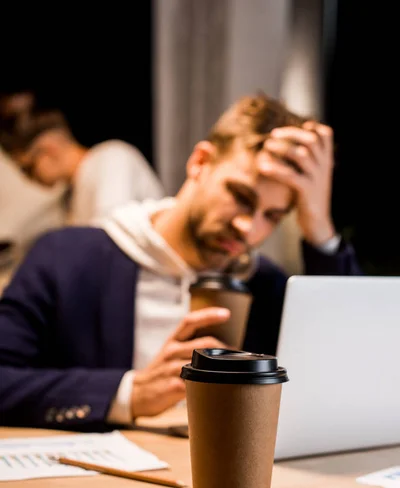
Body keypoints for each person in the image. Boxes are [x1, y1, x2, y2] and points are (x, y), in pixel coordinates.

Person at [0, 92, 361, 431]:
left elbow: (352, 372)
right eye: (239, 196)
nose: (248, 229)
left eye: (272, 215)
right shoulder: (67, 257)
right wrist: (128, 393)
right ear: (200, 162)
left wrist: (320, 230)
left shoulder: (265, 285)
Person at [0, 106, 164, 225]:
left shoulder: (111, 158)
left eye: (28, 168)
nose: (28, 178)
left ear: (49, 149)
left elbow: (109, 239)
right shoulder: (71, 194)